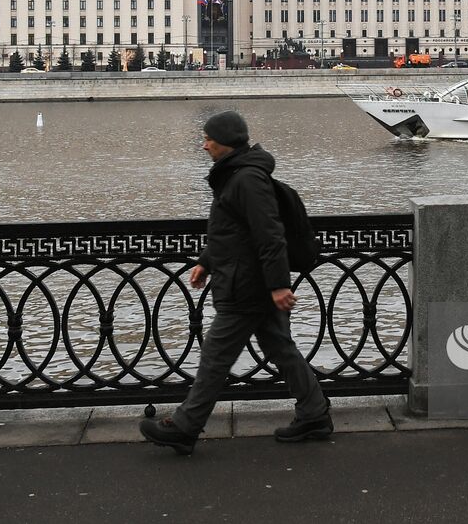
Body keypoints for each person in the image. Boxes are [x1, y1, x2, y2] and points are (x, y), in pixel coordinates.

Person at [139, 110, 332, 455]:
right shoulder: (236, 176)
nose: (204, 145)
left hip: (246, 285)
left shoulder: (246, 179)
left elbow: (268, 234)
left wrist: (277, 285)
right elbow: (234, 231)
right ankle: (315, 413)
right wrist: (205, 261)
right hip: (244, 279)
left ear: (225, 142)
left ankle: (185, 426)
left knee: (215, 356)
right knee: (281, 350)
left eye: (208, 139)